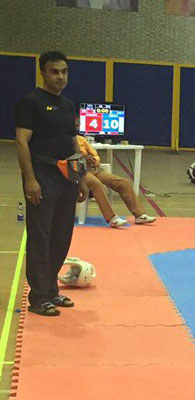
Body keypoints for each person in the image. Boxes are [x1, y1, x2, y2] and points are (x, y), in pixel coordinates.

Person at [15, 51, 89, 317]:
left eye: (64, 72)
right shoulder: (31, 102)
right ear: (43, 73)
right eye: (54, 72)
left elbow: (73, 144)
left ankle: (50, 289)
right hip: (42, 176)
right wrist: (30, 180)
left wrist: (81, 179)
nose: (60, 77)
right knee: (41, 237)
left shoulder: (68, 105)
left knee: (61, 236)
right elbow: (22, 142)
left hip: (67, 177)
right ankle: (37, 297)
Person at [75, 119, 156, 227]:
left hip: (93, 169)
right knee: (96, 184)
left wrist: (95, 160)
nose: (76, 128)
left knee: (123, 182)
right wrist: (82, 159)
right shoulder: (64, 142)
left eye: (78, 125)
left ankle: (139, 215)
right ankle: (111, 218)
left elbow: (95, 154)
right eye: (75, 125)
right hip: (80, 172)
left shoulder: (82, 139)